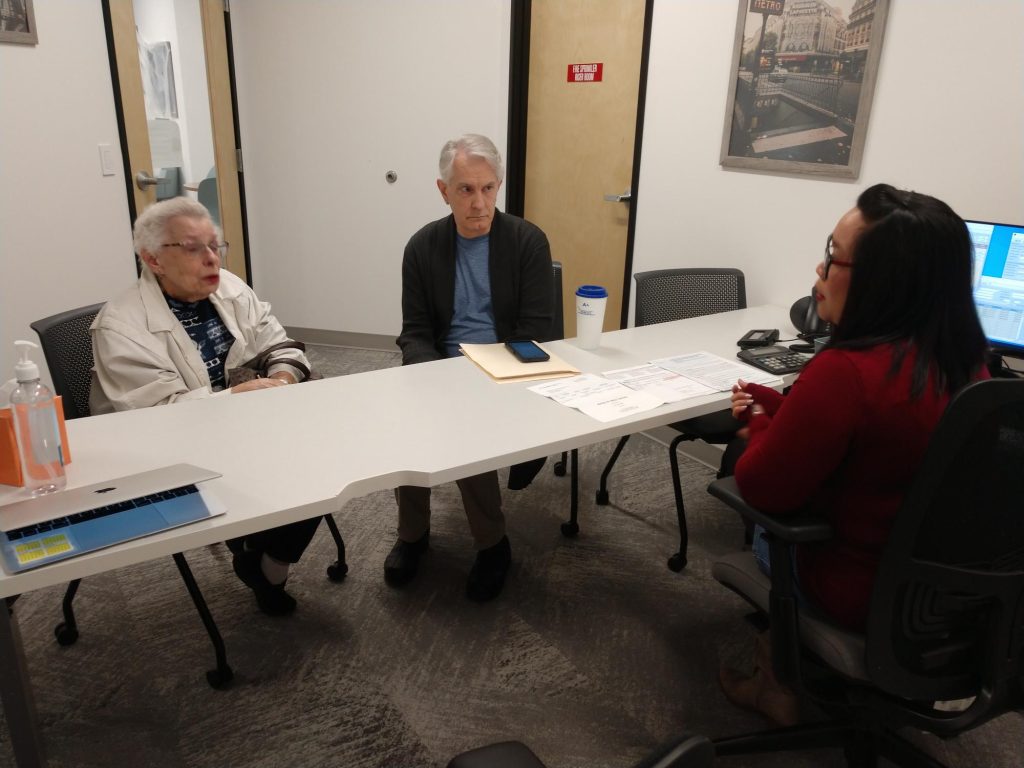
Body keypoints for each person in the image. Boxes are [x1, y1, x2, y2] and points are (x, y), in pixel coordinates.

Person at [718, 183, 989, 725]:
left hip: (856, 592)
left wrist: (755, 418)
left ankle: (776, 681)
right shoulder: (971, 369)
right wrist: (784, 405)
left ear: (881, 282)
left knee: (770, 532)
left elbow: (763, 486)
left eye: (831, 259)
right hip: (954, 600)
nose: (818, 273)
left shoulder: (847, 374)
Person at [90, 197, 321, 616]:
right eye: (194, 248)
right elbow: (158, 418)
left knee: (330, 454)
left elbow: (280, 344)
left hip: (243, 425)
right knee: (296, 468)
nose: (212, 259)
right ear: (153, 259)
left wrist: (283, 380)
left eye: (216, 245)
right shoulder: (121, 327)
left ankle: (267, 559)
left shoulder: (230, 289)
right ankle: (258, 550)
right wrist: (235, 398)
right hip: (166, 451)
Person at [385, 134, 553, 601]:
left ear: (498, 185)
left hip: (505, 367)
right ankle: (412, 533)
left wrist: (479, 377)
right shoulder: (422, 247)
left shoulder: (526, 242)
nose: (478, 203)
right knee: (402, 421)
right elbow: (415, 332)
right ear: (443, 190)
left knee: (464, 431)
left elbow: (535, 330)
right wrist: (434, 376)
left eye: (487, 189)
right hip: (440, 365)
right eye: (465, 190)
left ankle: (492, 542)